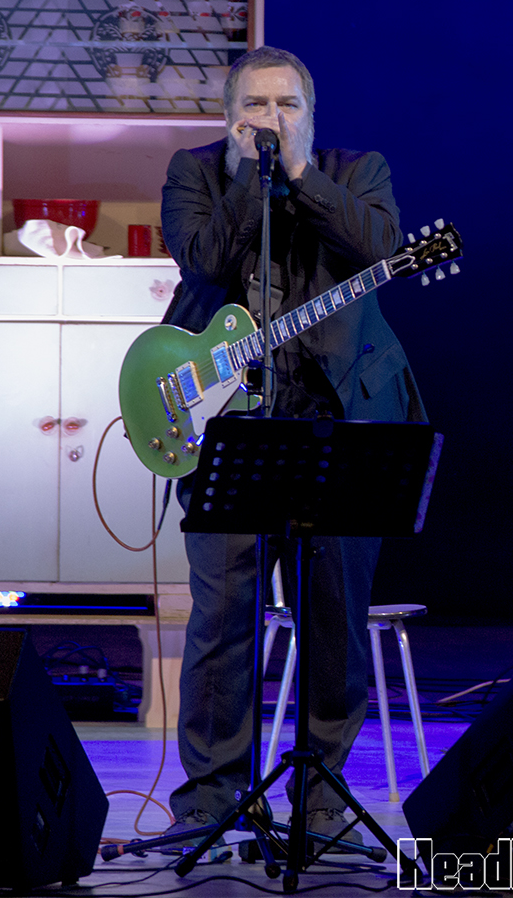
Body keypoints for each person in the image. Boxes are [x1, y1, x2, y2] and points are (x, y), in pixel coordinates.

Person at [158, 45, 426, 853]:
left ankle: (321, 804)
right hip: (230, 422)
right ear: (228, 116)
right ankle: (209, 802)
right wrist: (251, 181)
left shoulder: (357, 170)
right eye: (255, 106)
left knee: (334, 618)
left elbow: (379, 250)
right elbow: (204, 262)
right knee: (221, 618)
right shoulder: (195, 172)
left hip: (341, 421)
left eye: (286, 106)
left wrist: (301, 178)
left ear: (310, 115)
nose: (270, 120)